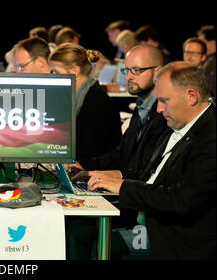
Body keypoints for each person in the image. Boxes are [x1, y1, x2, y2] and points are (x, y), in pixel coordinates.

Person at [87, 62, 216, 260]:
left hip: (178, 239)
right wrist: (111, 177)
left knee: (90, 240)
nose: (159, 109)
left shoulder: (210, 137)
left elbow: (181, 201)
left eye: (164, 101)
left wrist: (123, 187)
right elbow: (152, 176)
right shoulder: (180, 124)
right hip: (151, 220)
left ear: (191, 96)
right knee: (82, 228)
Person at [66, 44, 169, 260]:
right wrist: (85, 165)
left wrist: (115, 177)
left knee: (78, 231)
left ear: (158, 71)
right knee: (74, 227)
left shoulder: (164, 115)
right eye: (127, 70)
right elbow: (121, 153)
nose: (130, 76)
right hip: (131, 197)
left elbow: (149, 173)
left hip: (141, 208)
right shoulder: (142, 107)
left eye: (137, 70)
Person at [49, 43, 122, 160]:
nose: (53, 77)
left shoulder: (97, 103)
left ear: (74, 71)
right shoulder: (79, 96)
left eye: (56, 72)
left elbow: (91, 152)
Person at [197, 25, 216, 96]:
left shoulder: (212, 62)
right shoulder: (209, 60)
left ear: (212, 42)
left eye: (202, 42)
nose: (199, 46)